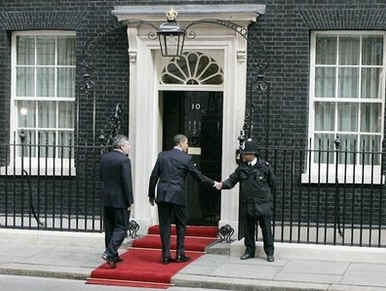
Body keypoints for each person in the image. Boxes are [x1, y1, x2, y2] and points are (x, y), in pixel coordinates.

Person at [148, 134, 218, 264]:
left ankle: (165, 256)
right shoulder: (186, 158)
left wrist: (151, 195)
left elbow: (154, 176)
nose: (187, 146)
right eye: (186, 143)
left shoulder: (162, 155)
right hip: (177, 195)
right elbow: (199, 177)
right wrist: (214, 183)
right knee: (181, 224)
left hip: (162, 194)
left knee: (164, 225)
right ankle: (180, 254)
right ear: (181, 143)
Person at [216, 139, 276, 262]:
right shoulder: (241, 168)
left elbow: (273, 185)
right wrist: (222, 185)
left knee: (266, 230)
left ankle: (269, 253)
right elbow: (232, 180)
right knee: (248, 230)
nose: (242, 155)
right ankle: (249, 251)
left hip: (263, 204)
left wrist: (270, 202)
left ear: (252, 154)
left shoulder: (265, 167)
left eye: (244, 153)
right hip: (248, 204)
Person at [100, 135, 133, 268]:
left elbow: (101, 176)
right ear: (121, 146)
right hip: (119, 200)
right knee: (121, 227)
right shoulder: (124, 160)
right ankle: (110, 252)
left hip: (106, 198)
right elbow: (127, 182)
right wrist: (130, 200)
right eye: (128, 145)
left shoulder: (105, 157)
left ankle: (113, 258)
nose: (129, 147)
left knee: (110, 228)